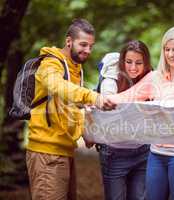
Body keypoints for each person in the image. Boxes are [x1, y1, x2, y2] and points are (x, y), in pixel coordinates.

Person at [108, 26, 174, 200]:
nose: (171, 54)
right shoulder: (155, 77)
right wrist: (98, 100)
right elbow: (128, 96)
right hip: (156, 152)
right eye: (167, 49)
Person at [25, 18, 115, 200]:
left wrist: (86, 132)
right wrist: (93, 97)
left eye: (91, 46)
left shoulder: (75, 69)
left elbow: (68, 109)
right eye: (83, 44)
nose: (88, 50)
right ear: (69, 41)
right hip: (47, 152)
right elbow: (57, 86)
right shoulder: (50, 63)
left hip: (65, 151)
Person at [96, 40, 152, 200]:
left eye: (138, 63)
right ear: (122, 61)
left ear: (146, 63)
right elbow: (110, 113)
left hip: (143, 151)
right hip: (115, 153)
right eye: (128, 62)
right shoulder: (111, 81)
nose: (133, 67)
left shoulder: (150, 78)